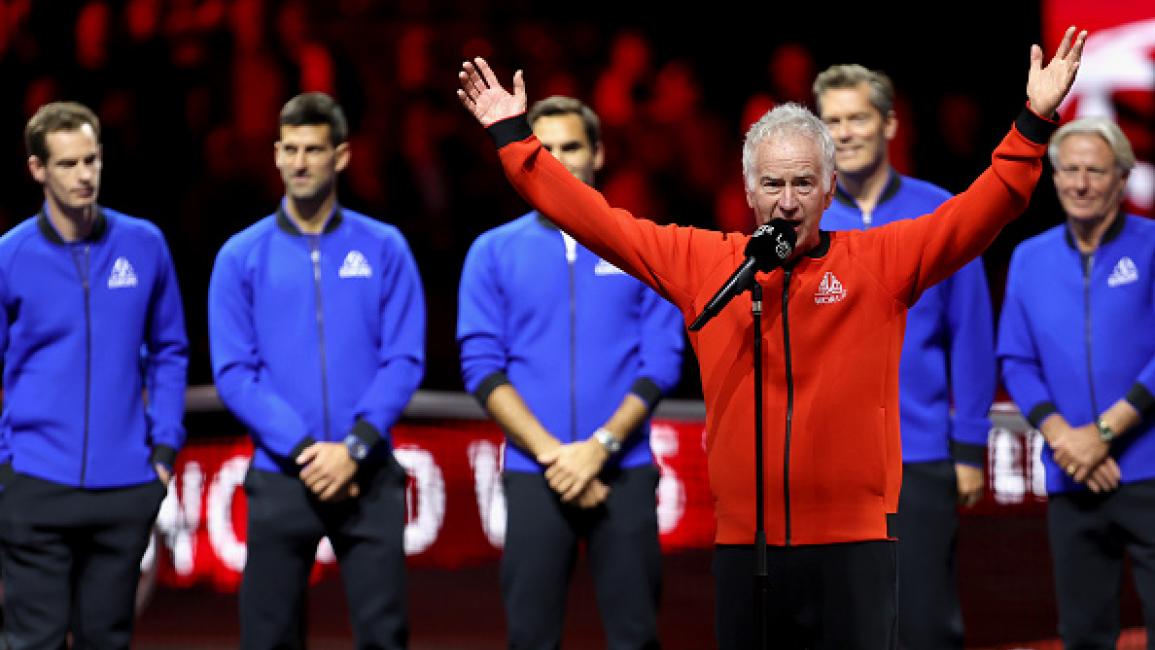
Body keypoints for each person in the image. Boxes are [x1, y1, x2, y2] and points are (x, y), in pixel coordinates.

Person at [456, 27, 1086, 649]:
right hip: (745, 547)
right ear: (748, 190)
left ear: (830, 189)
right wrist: (515, 140)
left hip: (856, 546)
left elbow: (984, 209)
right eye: (773, 185)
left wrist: (1034, 119)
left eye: (804, 184)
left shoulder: (880, 261)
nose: (787, 201)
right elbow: (597, 222)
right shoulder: (706, 264)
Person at [457, 95, 684, 649]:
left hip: (624, 471)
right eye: (543, 149)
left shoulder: (638, 244)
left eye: (570, 148)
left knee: (637, 637)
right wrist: (556, 454)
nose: (555, 162)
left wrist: (599, 447)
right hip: (538, 473)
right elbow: (483, 367)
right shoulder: (492, 253)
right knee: (530, 638)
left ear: (598, 153)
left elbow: (662, 361)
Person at [209, 92, 424, 649]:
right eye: (290, 149)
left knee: (385, 638)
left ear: (342, 156)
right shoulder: (240, 256)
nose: (300, 161)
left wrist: (351, 449)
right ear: (276, 155)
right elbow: (235, 373)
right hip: (284, 476)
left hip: (368, 473)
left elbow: (403, 359)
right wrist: (308, 450)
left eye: (314, 150)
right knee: (269, 639)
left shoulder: (385, 247)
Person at [814, 64, 994, 649]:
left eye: (857, 118)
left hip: (919, 458)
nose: (844, 132)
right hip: (825, 466)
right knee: (835, 626)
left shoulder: (941, 214)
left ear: (889, 123)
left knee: (923, 625)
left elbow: (971, 338)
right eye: (832, 121)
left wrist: (968, 449)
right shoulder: (799, 222)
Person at [0, 101, 188, 648]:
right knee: (32, 641)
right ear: (38, 169)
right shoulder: (10, 257)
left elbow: (171, 349)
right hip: (34, 484)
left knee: (108, 640)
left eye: (91, 160)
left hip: (125, 487)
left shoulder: (144, 244)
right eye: (67, 164)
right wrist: (7, 468)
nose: (84, 176)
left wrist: (163, 452)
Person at [997, 116, 1155, 648]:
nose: (1080, 183)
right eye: (1068, 170)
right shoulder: (1029, 257)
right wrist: (1067, 439)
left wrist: (1104, 432)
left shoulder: (1152, 245)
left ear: (1121, 178)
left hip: (1149, 472)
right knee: (1083, 634)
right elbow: (1016, 360)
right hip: (1071, 477)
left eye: (1094, 170)